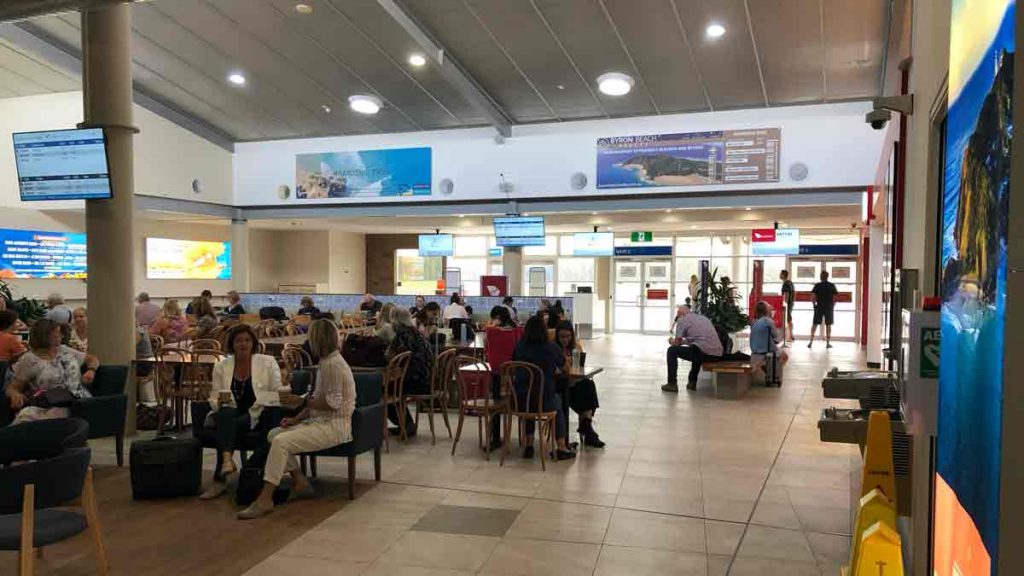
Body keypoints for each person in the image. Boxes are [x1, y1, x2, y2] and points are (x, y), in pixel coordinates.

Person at [237, 319, 356, 519]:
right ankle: (300, 480)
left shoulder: (333, 365)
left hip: (335, 426)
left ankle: (265, 499)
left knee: (281, 442)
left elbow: (332, 403)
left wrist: (301, 402)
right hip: (322, 422)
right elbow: (318, 400)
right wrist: (296, 418)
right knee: (274, 433)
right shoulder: (327, 362)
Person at [199, 324, 283, 500]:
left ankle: (223, 477)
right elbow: (214, 395)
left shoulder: (267, 362)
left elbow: (275, 392)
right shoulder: (222, 366)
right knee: (225, 414)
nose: (243, 344)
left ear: (253, 343)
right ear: (232, 344)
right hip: (232, 411)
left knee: (228, 424)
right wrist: (219, 402)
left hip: (258, 412)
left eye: (247, 340)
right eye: (238, 341)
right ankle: (228, 460)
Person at [5, 319, 100, 424]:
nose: (62, 336)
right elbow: (13, 388)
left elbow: (92, 359)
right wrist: (15, 394)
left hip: (78, 400)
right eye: (57, 333)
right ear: (45, 336)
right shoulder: (29, 359)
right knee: (28, 416)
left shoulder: (65, 350)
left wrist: (91, 370)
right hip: (48, 404)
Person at [511, 315, 575, 460]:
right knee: (557, 401)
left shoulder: (519, 346)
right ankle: (561, 446)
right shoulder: (551, 347)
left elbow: (513, 366)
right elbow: (564, 368)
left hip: (519, 400)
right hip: (544, 400)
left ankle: (529, 443)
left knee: (530, 398)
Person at [554, 322, 604, 448]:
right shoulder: (553, 348)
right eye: (562, 337)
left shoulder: (576, 347)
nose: (565, 340)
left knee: (588, 385)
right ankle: (587, 428)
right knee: (585, 392)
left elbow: (580, 367)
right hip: (559, 385)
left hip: (573, 382)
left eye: (568, 336)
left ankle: (586, 425)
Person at [386, 309, 431, 436]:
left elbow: (390, 357)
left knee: (385, 390)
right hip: (426, 379)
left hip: (416, 381)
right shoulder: (416, 332)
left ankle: (405, 424)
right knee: (391, 387)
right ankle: (406, 424)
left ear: (394, 320)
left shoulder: (402, 334)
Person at [662, 305, 723, 392]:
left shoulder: (682, 320)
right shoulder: (702, 318)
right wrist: (682, 342)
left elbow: (677, 343)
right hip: (717, 354)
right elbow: (696, 339)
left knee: (672, 351)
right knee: (696, 348)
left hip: (704, 353)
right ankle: (692, 382)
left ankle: (672, 383)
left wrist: (672, 342)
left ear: (679, 314)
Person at [749, 301, 788, 379]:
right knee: (784, 356)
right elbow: (776, 336)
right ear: (766, 310)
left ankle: (766, 371)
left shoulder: (754, 322)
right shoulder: (768, 321)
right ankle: (775, 373)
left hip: (754, 351)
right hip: (765, 351)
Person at [808, 271, 839, 349]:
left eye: (820, 275)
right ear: (827, 277)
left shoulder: (817, 285)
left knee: (815, 324)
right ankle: (828, 343)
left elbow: (813, 297)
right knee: (828, 325)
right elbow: (835, 298)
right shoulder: (831, 285)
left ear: (821, 276)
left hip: (819, 307)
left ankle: (811, 342)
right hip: (829, 307)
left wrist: (814, 305)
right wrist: (833, 306)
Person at [780, 270, 795, 344]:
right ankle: (790, 335)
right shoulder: (790, 283)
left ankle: (790, 336)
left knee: (788, 320)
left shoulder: (786, 284)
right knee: (789, 320)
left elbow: (786, 294)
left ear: (783, 275)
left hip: (788, 304)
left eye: (780, 274)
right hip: (791, 303)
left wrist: (785, 303)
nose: (779, 275)